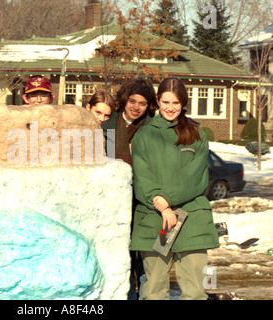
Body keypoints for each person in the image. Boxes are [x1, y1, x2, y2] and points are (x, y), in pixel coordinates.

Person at [130, 77, 219, 300]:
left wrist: (165, 199)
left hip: (191, 218)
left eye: (176, 103)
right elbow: (142, 174)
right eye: (166, 102)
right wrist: (159, 203)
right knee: (154, 290)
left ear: (183, 104)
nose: (171, 108)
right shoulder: (143, 135)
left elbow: (194, 176)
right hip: (154, 219)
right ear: (157, 101)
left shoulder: (197, 135)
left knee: (195, 291)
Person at [101, 78, 156, 300]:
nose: (135, 107)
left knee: (145, 263)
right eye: (132, 101)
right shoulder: (108, 127)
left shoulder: (153, 129)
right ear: (124, 100)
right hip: (111, 204)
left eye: (142, 103)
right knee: (118, 263)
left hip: (144, 203)